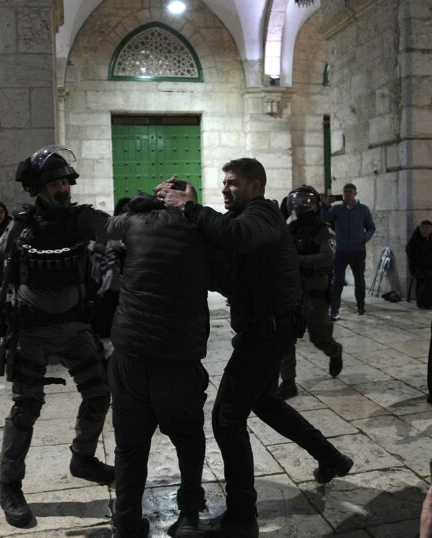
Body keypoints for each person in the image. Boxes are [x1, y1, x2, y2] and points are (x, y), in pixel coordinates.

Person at [158, 158, 354, 537]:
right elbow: (228, 259)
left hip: (267, 334)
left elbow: (236, 238)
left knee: (227, 419)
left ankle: (242, 519)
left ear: (255, 186)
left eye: (232, 183)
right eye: (224, 183)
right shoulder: (244, 218)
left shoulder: (262, 212)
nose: (225, 189)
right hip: (265, 330)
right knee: (264, 402)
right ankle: (331, 457)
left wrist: (190, 207)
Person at [0, 146, 114, 528]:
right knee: (26, 409)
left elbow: (115, 229)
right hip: (31, 330)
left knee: (99, 394)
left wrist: (143, 215)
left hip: (75, 328)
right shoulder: (21, 226)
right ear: (38, 189)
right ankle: (10, 485)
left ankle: (83, 458)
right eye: (54, 184)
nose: (62, 189)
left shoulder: (82, 218)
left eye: (64, 182)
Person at [106, 189, 234, 537]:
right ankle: (189, 515)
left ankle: (126, 521)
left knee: (129, 446)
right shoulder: (199, 229)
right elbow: (227, 279)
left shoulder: (132, 224)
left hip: (130, 354)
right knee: (188, 439)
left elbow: (103, 225)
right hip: (177, 358)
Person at [278, 185, 343, 400]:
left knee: (318, 336)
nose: (300, 205)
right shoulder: (291, 227)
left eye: (305, 201)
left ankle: (334, 351)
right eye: (296, 201)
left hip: (315, 289)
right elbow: (273, 240)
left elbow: (327, 257)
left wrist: (297, 261)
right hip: (291, 289)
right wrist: (281, 214)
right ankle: (288, 381)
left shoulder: (324, 229)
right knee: (286, 337)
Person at [325, 183, 375, 320]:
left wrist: (364, 238)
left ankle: (361, 307)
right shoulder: (337, 209)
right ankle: (335, 310)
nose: (348, 194)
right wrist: (326, 206)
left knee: (359, 280)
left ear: (355, 193)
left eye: (350, 191)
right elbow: (324, 220)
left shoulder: (363, 210)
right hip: (341, 251)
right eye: (345, 191)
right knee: (338, 281)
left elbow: (371, 227)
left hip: (358, 251)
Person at [89, 197, 129, 338]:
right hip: (106, 270)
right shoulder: (108, 228)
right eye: (123, 208)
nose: (126, 211)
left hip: (117, 271)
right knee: (105, 300)